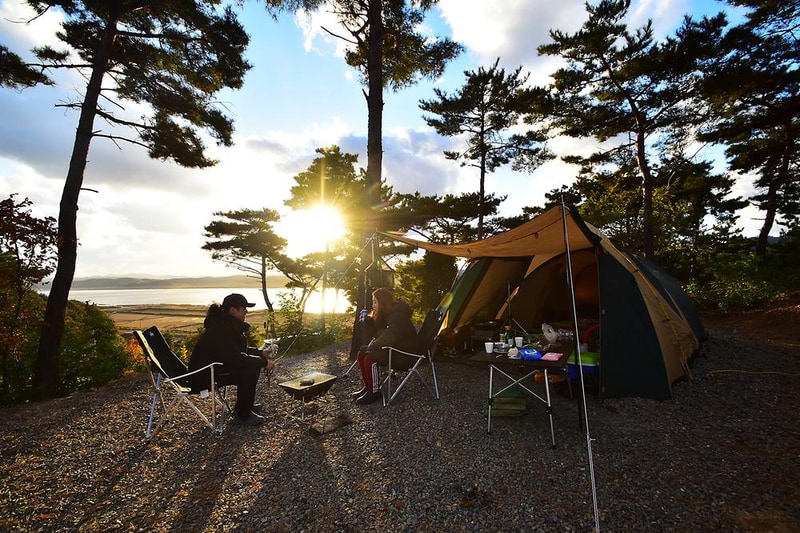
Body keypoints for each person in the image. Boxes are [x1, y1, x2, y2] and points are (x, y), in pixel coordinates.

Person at [189, 293, 276, 426]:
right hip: (203, 376)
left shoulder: (225, 325)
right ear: (232, 310)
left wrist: (260, 353)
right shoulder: (221, 329)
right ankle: (243, 414)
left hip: (212, 369)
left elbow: (235, 350)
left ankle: (244, 406)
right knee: (249, 369)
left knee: (250, 365)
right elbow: (235, 358)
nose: (246, 311)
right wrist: (263, 362)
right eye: (243, 308)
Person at [352, 287, 420, 405]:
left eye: (375, 302)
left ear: (382, 303)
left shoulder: (398, 317)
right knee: (361, 354)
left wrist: (370, 347)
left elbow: (389, 337)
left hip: (405, 355)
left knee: (370, 358)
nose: (373, 305)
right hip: (396, 348)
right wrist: (368, 322)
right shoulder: (390, 314)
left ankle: (374, 391)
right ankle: (368, 386)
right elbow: (381, 335)